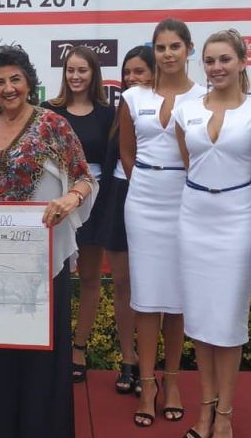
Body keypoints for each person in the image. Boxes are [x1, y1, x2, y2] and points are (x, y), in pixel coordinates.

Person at [0, 45, 96, 438]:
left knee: (42, 350)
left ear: (29, 82)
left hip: (43, 255)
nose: (8, 88)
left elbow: (84, 178)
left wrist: (69, 199)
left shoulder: (51, 125)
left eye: (15, 79)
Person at [174, 30, 251, 438]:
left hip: (237, 219)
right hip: (193, 217)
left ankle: (225, 414)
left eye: (225, 59)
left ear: (243, 62)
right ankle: (205, 408)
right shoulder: (185, 112)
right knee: (199, 318)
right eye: (210, 60)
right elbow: (189, 164)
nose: (216, 68)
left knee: (228, 321)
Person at [119, 19, 205, 427]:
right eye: (160, 47)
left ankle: (172, 381)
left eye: (175, 46)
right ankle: (147, 382)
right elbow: (126, 152)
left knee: (179, 299)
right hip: (144, 201)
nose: (168, 53)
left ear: (189, 49)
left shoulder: (208, 97)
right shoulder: (133, 97)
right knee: (147, 296)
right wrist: (147, 183)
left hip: (188, 200)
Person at [41, 46, 115, 384]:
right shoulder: (48, 110)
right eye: (70, 69)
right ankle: (47, 345)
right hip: (52, 204)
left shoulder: (106, 113)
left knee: (88, 278)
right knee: (51, 279)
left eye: (82, 70)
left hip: (93, 204)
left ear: (94, 73)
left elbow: (113, 163)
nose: (75, 76)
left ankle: (79, 349)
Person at [96, 46, 155, 395]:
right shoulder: (120, 110)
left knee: (154, 289)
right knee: (122, 285)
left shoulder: (168, 107)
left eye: (140, 71)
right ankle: (128, 358)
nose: (132, 78)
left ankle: (150, 365)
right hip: (119, 197)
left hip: (156, 201)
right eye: (127, 72)